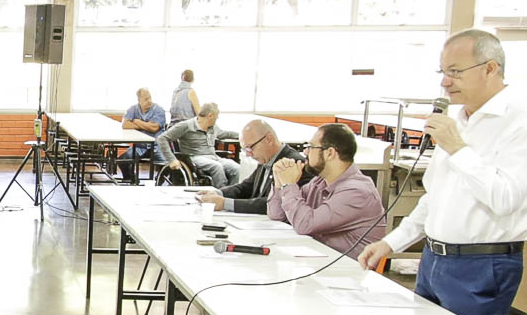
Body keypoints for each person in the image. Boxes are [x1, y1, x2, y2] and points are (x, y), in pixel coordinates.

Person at [356, 29, 527, 315]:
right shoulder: (460, 120)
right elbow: (435, 198)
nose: (445, 82)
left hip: (481, 265)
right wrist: (392, 242)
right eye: (443, 72)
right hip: (433, 260)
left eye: (455, 72)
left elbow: (505, 199)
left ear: (490, 69)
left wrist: (457, 148)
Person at [260, 122, 387, 254]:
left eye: (311, 147)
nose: (305, 152)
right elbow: (276, 215)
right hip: (320, 262)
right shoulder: (320, 182)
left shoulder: (357, 192)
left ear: (330, 153)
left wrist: (289, 185)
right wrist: (279, 180)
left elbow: (305, 225)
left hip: (346, 270)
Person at [195, 119, 302, 213]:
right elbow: (246, 187)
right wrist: (217, 193)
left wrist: (225, 203)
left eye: (250, 148)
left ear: (269, 139)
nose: (247, 154)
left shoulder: (292, 163)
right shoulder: (266, 158)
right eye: (245, 149)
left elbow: (271, 203)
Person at [158, 103, 239, 187]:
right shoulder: (186, 125)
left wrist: (241, 136)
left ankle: (232, 194)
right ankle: (221, 194)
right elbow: (162, 138)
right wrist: (171, 159)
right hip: (194, 157)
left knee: (236, 168)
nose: (217, 118)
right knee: (217, 167)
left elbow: (224, 134)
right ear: (210, 116)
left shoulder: (213, 127)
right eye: (217, 115)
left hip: (214, 157)